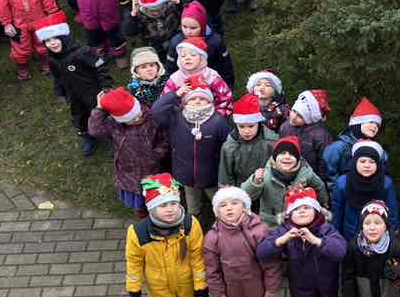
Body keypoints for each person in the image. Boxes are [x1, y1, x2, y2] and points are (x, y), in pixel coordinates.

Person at [123, 174, 210, 297]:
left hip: (188, 281)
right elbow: (134, 262)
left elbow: (198, 257)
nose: (170, 209)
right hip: (159, 286)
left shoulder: (190, 225)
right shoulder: (138, 233)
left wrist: (201, 285)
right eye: (163, 205)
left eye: (173, 203)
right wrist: (134, 290)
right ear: (151, 207)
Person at [257, 186, 348, 297]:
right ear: (289, 215)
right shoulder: (284, 230)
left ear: (316, 211)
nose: (302, 211)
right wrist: (281, 240)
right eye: (297, 209)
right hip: (301, 288)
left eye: (307, 207)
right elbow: (262, 253)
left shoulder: (326, 229)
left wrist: (316, 241)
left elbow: (340, 251)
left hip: (327, 284)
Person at [203, 185, 281, 297]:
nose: (229, 208)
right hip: (232, 289)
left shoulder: (260, 231)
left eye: (234, 203)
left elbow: (272, 265)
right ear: (216, 212)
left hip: (258, 286)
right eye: (223, 205)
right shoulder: (212, 237)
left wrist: (272, 288)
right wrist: (218, 294)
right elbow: (212, 271)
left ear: (245, 207)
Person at [152, 78, 232, 223]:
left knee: (220, 202)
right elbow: (156, 111)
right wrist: (176, 94)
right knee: (192, 206)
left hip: (211, 175)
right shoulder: (176, 118)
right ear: (185, 102)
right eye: (192, 98)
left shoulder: (218, 121)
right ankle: (194, 223)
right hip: (186, 175)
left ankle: (224, 222)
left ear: (210, 101)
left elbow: (228, 146)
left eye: (202, 98)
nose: (197, 101)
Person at [38, 11, 110, 156]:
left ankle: (110, 137)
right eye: (48, 40)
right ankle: (87, 135)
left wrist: (106, 86)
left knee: (101, 114)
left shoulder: (82, 52)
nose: (52, 43)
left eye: (56, 38)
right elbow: (57, 77)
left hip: (93, 92)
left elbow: (100, 67)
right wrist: (60, 92)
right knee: (80, 116)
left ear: (64, 38)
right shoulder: (52, 59)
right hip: (74, 96)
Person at [87, 87, 167, 215]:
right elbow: (95, 130)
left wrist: (156, 155)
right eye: (131, 120)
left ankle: (156, 211)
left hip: (151, 168)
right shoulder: (114, 125)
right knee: (138, 200)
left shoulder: (152, 119)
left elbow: (163, 139)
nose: (137, 120)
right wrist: (99, 109)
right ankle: (141, 213)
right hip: (127, 172)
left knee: (154, 195)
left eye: (137, 115)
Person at [244, 134, 329, 227]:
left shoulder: (306, 173)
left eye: (292, 154)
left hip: (297, 222)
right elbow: (245, 195)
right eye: (282, 153)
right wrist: (255, 182)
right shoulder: (264, 174)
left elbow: (320, 187)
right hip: (270, 223)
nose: (287, 157)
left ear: (297, 158)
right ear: (275, 157)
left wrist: (323, 204)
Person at [332, 141, 399, 242]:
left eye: (372, 162)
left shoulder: (386, 183)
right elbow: (338, 211)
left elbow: (392, 212)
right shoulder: (343, 183)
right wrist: (336, 236)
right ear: (355, 162)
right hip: (350, 233)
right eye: (362, 161)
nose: (367, 165)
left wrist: (392, 234)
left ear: (378, 164)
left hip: (378, 234)